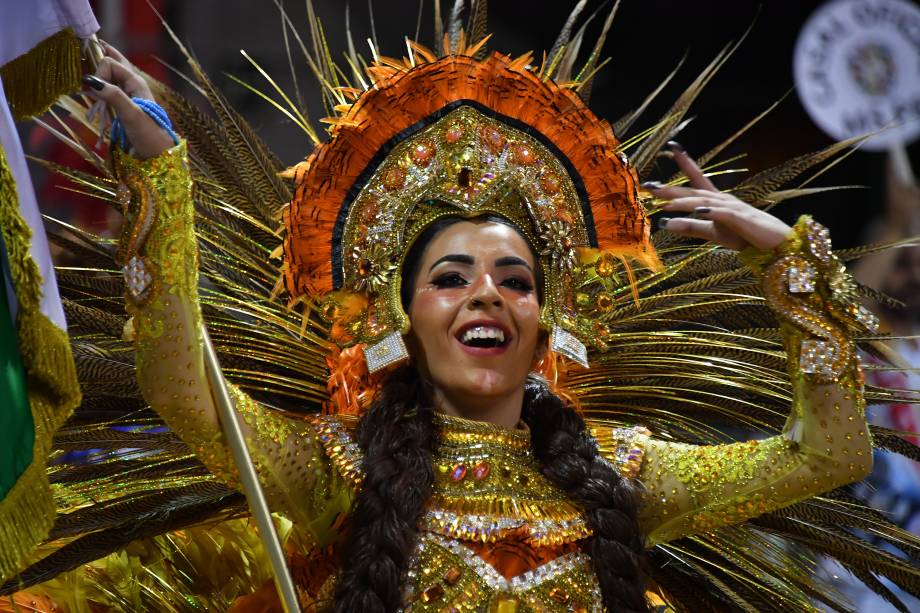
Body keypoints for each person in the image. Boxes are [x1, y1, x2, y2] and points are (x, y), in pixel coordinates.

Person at [58, 34, 881, 612]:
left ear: (547, 322)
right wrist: (159, 181)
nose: (486, 294)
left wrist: (790, 267)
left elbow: (833, 450)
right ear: (402, 319)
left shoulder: (625, 475)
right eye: (451, 278)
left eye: (514, 280)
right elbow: (180, 386)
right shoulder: (338, 469)